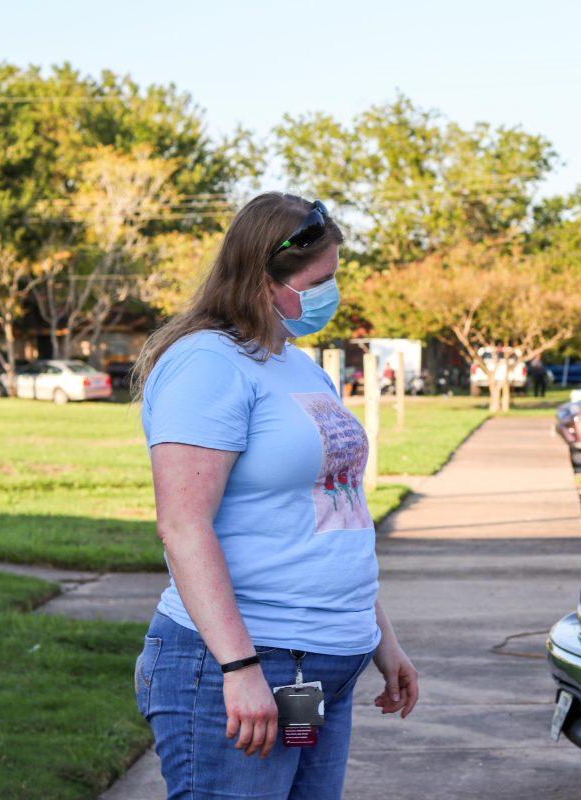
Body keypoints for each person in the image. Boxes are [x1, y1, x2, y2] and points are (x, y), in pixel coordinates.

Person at [129, 193, 418, 799]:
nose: (330, 293)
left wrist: (379, 638)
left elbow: (335, 512)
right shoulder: (206, 365)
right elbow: (183, 526)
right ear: (263, 277)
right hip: (244, 669)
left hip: (315, 676)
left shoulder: (297, 365)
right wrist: (239, 668)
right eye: (321, 280)